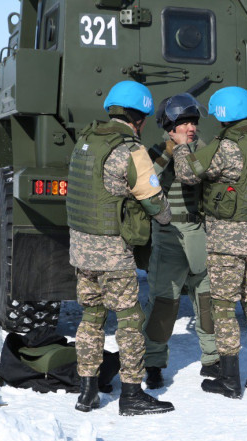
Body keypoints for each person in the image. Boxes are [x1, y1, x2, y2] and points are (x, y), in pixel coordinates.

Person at [67, 80, 175, 416]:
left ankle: (87, 393)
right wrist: (166, 216)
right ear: (139, 118)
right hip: (113, 251)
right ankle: (131, 394)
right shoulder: (131, 150)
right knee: (129, 319)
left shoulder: (85, 141)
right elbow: (155, 203)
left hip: (81, 248)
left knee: (91, 317)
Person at [173, 86, 247, 399]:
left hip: (228, 241)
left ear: (223, 114)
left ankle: (230, 380)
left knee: (223, 307)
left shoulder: (229, 147)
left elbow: (188, 173)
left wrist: (182, 147)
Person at [143, 93, 219, 389]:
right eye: (185, 123)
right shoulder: (156, 152)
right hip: (168, 235)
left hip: (199, 234)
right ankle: (153, 363)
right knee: (164, 304)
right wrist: (170, 152)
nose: (191, 128)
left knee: (207, 300)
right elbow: (145, 180)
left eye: (193, 122)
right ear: (170, 126)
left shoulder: (203, 151)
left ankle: (212, 359)